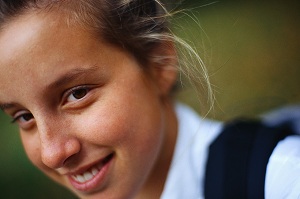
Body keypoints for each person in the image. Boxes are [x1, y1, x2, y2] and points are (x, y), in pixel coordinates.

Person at [0, 0, 299, 199]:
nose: (53, 154)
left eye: (77, 94)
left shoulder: (282, 181)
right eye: (24, 116)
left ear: (160, 63)